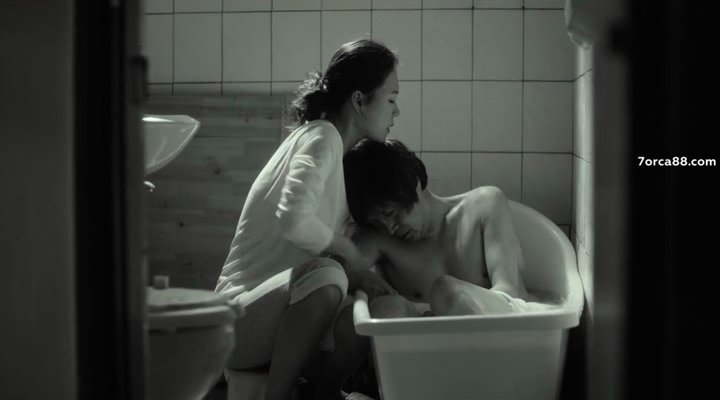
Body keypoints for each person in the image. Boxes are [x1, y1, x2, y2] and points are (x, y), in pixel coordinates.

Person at [215, 39, 400, 400]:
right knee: (328, 275)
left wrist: (363, 277)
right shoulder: (322, 136)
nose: (397, 112)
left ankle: (321, 395)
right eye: (391, 99)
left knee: (358, 319)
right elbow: (293, 219)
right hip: (234, 325)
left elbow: (304, 256)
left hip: (270, 319)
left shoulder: (330, 149)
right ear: (359, 100)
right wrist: (345, 248)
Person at [343, 139, 555, 318]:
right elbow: (334, 270)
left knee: (446, 290)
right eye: (377, 222)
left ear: (413, 185)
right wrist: (362, 278)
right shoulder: (380, 239)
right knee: (387, 307)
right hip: (429, 346)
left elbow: (510, 292)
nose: (389, 228)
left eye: (390, 213)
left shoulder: (483, 205)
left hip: (502, 332)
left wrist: (449, 302)